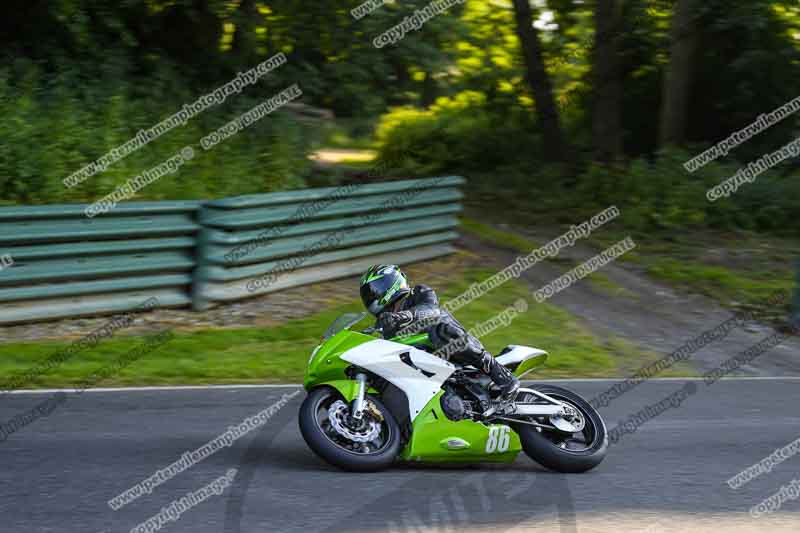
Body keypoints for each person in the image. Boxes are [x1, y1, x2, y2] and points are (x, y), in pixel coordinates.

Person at [359, 264, 519, 401]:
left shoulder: (419, 293)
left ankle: (501, 374)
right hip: (426, 367)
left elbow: (431, 310)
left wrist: (405, 315)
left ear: (390, 284)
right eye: (369, 295)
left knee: (441, 328)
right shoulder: (385, 322)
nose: (372, 296)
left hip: (452, 350)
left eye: (374, 290)